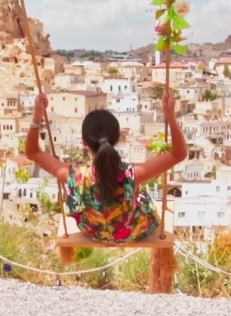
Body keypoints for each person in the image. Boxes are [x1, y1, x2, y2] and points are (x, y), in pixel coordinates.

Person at [24, 90, 187, 243]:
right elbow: (178, 154)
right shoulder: (132, 175)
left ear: (84, 141)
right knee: (140, 193)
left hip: (93, 232)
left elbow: (32, 152)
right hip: (131, 232)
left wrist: (37, 117)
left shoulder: (73, 176)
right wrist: (170, 118)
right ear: (117, 140)